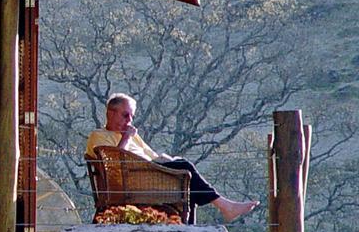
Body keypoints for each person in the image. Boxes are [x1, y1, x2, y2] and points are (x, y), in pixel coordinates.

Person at [86, 93, 259, 223]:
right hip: (132, 184)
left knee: (185, 177)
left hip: (151, 174)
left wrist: (168, 161)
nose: (130, 121)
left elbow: (151, 155)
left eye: (132, 116)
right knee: (184, 168)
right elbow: (113, 163)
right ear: (111, 112)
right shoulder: (100, 135)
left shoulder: (129, 134)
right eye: (125, 115)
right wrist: (126, 138)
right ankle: (225, 206)